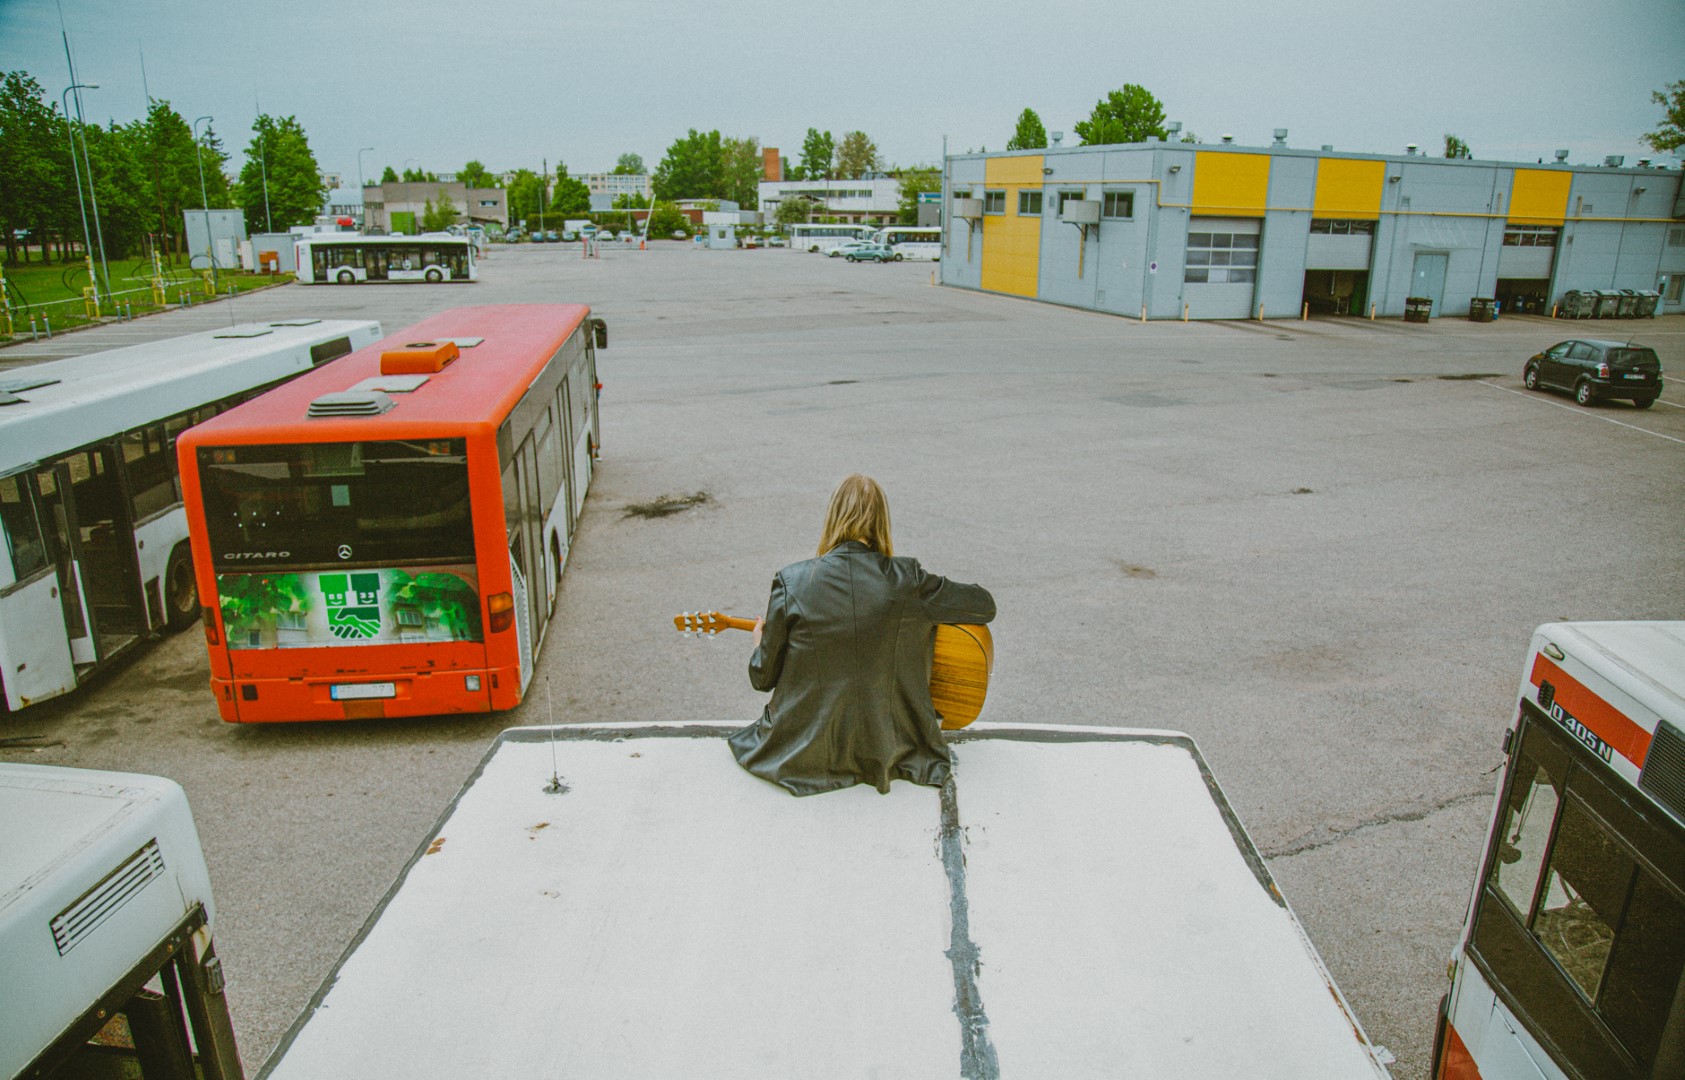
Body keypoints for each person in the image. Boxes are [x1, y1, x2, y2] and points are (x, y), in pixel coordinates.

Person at [728, 475, 995, 797]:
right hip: (892, 746)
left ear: (833, 516)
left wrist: (759, 643)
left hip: (802, 753)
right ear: (882, 520)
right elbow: (984, 606)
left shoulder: (792, 580)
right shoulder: (909, 579)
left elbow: (762, 678)